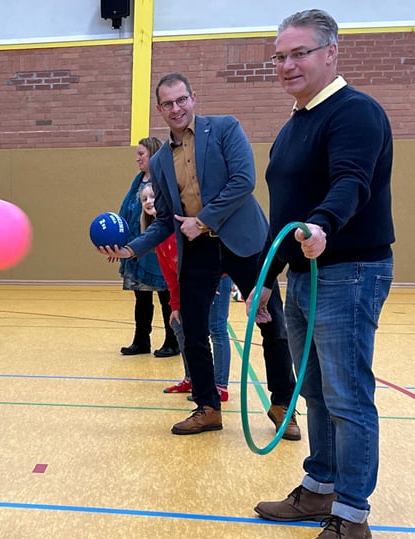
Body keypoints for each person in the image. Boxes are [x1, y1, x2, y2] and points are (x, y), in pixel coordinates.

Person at [253, 9, 394, 539]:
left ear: (331, 53)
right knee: (313, 388)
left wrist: (323, 225)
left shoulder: (356, 113)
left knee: (347, 396)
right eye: (280, 56)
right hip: (304, 275)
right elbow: (282, 212)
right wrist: (265, 275)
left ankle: (352, 518)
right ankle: (320, 487)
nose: (287, 64)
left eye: (298, 54)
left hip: (349, 271)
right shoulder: (294, 124)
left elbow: (350, 182)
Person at [97, 72, 299, 439]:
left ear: (193, 98)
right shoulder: (158, 162)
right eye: (168, 104)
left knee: (271, 322)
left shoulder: (224, 129)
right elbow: (164, 222)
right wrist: (130, 249)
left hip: (244, 241)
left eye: (181, 100)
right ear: (159, 109)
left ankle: (283, 403)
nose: (176, 109)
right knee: (191, 329)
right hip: (199, 250)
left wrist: (202, 220)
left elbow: (244, 181)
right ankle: (207, 407)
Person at [141, 181, 232, 399]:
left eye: (153, 196)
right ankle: (192, 378)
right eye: (144, 199)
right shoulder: (158, 237)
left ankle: (220, 386)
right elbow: (171, 277)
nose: (149, 201)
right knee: (179, 323)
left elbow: (205, 256)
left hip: (215, 278)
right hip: (193, 284)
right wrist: (175, 305)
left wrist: (207, 285)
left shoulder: (183, 226)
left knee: (216, 328)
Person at [115, 138, 176, 357]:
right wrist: (119, 243)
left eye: (142, 154)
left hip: (158, 248)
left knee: (166, 296)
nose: (138, 158)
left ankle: (173, 340)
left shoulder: (164, 181)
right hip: (137, 248)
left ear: (154, 155)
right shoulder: (137, 181)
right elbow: (126, 209)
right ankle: (141, 340)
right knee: (141, 297)